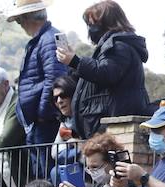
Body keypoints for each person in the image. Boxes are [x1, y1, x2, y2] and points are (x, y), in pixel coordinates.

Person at [56, 1, 151, 142]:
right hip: (109, 121)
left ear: (107, 22)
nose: (91, 29)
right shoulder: (111, 46)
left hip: (117, 122)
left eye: (93, 24)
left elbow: (107, 73)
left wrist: (76, 61)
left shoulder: (119, 46)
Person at [10, 0, 67, 150]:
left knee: (44, 169)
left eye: (19, 20)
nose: (20, 25)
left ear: (27, 17)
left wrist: (43, 113)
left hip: (45, 122)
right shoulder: (45, 38)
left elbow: (55, 79)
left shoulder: (49, 39)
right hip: (38, 120)